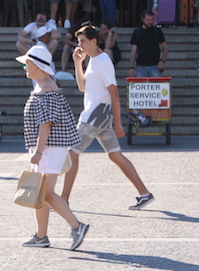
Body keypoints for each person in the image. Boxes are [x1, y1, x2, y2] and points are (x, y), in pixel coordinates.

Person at [61, 25, 155, 210]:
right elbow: (83, 87)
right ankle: (144, 193)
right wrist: (78, 63)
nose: (79, 44)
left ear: (94, 41)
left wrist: (118, 122)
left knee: (72, 153)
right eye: (79, 40)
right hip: (97, 113)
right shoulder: (93, 60)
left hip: (95, 114)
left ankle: (63, 199)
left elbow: (114, 92)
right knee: (115, 155)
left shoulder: (103, 61)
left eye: (82, 41)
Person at [17, 43, 89, 249]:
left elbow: (45, 124)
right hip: (50, 148)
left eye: (28, 64)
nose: (25, 68)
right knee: (42, 193)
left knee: (46, 193)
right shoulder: (46, 86)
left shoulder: (46, 89)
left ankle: (77, 227)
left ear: (38, 67)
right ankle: (41, 236)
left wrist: (38, 152)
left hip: (49, 149)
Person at [129, 10, 168, 78]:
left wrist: (162, 61)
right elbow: (134, 51)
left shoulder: (157, 31)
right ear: (142, 19)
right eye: (147, 20)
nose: (150, 22)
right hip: (141, 66)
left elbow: (165, 47)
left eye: (151, 20)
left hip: (155, 65)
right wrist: (132, 67)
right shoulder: (137, 32)